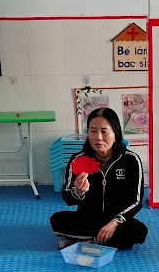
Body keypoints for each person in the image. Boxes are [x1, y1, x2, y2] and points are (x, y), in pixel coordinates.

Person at [51, 107, 148, 251]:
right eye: (93, 131)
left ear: (115, 133)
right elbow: (67, 198)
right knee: (57, 220)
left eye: (104, 131)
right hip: (87, 218)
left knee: (138, 231)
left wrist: (115, 222)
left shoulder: (131, 160)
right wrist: (77, 191)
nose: (98, 137)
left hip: (117, 219)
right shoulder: (78, 159)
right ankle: (104, 240)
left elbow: (136, 201)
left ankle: (86, 241)